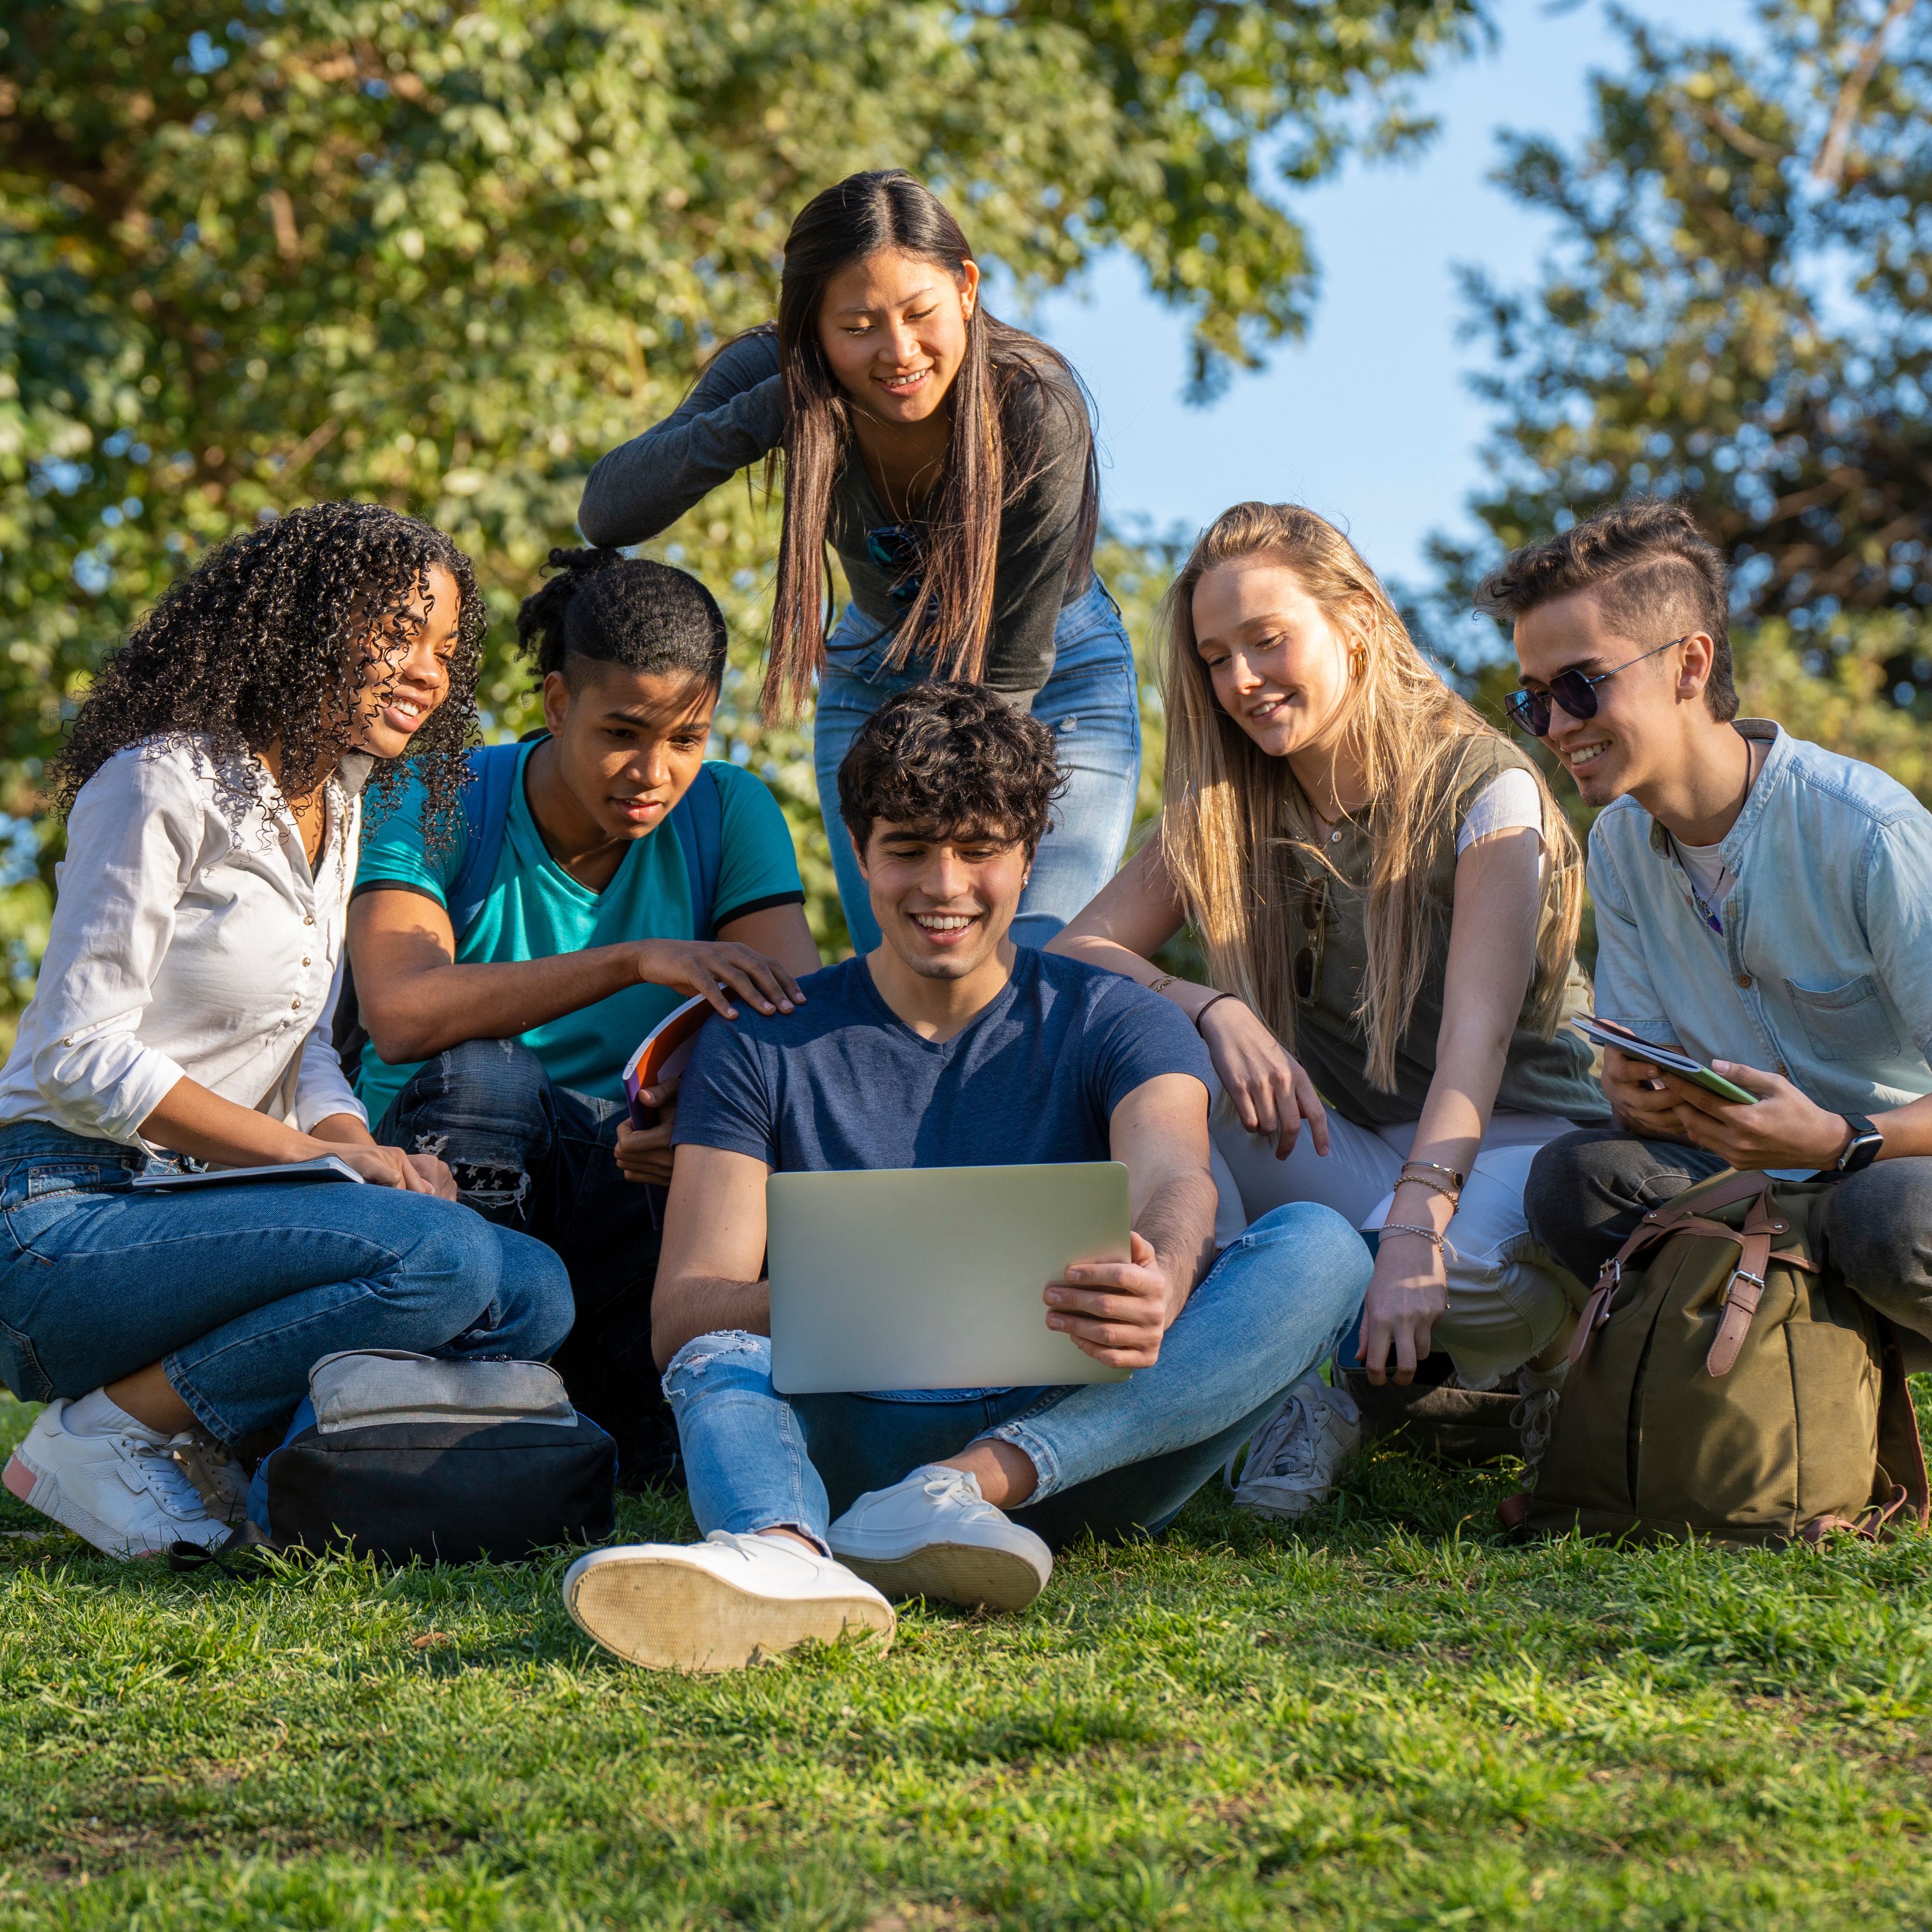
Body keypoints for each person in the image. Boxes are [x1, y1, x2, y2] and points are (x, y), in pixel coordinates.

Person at [558, 683, 1370, 1672]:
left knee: (1321, 1249)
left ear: (1027, 859)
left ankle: (962, 1488)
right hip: (843, 1442)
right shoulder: (761, 1038)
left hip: (1080, 1444)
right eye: (907, 847)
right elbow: (685, 1308)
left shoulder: (1115, 1014)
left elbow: (1177, 1176)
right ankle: (780, 1552)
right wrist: (896, 1298)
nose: (943, 884)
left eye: (979, 847)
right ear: (858, 855)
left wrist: (1162, 1267)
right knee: (717, 1353)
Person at [0, 503, 573, 1559]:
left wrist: (353, 1144)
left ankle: (268, 1468)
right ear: (305, 619)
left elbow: (302, 1040)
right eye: (396, 632)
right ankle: (107, 1432)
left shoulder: (338, 801)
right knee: (443, 1260)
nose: (428, 672)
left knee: (532, 1287)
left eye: (444, 649)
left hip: (213, 1204)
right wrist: (314, 1159)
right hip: (66, 1212)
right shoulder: (163, 779)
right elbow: (76, 1058)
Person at [1049, 501, 1612, 1517]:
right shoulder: (1229, 805)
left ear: (1353, 619)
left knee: (1478, 1279)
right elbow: (1071, 956)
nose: (1241, 681)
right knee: (1150, 1069)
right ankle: (1302, 1380)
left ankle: (1529, 1359)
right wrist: (1207, 1002)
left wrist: (1410, 1230)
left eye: (1267, 640)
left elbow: (1473, 1046)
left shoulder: (1485, 787)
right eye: (1216, 658)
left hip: (1513, 1150)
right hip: (1346, 1149)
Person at [347, 548, 819, 1484]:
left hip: (632, 1191)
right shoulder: (436, 796)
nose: (654, 771)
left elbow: (795, 1039)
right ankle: (449, 1399)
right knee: (489, 1073)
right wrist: (634, 959)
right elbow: (399, 1012)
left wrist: (698, 1129)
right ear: (558, 704)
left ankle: (602, 1416)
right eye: (623, 732)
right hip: (447, 1179)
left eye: (686, 737)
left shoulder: (728, 812)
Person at [577, 168, 1138, 953]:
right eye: (858, 326)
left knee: (1032, 955)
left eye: (920, 313)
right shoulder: (773, 376)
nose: (898, 351)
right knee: (904, 961)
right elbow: (607, 511)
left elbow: (1006, 678)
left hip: (1050, 679)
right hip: (876, 671)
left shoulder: (1035, 410)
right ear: (811, 327)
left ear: (967, 289)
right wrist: (784, 405)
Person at [1486, 500, 1932, 1358]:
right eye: (1533, 701)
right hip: (1751, 1188)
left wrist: (1844, 1139)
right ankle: (1801, 1386)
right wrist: (1637, 1096)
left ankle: (1830, 1372)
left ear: (1689, 664)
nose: (1557, 727)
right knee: (1575, 1184)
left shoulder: (1868, 830)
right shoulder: (1615, 847)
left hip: (1886, 1173)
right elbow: (1649, 1069)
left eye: (1580, 685)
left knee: (1899, 1220)